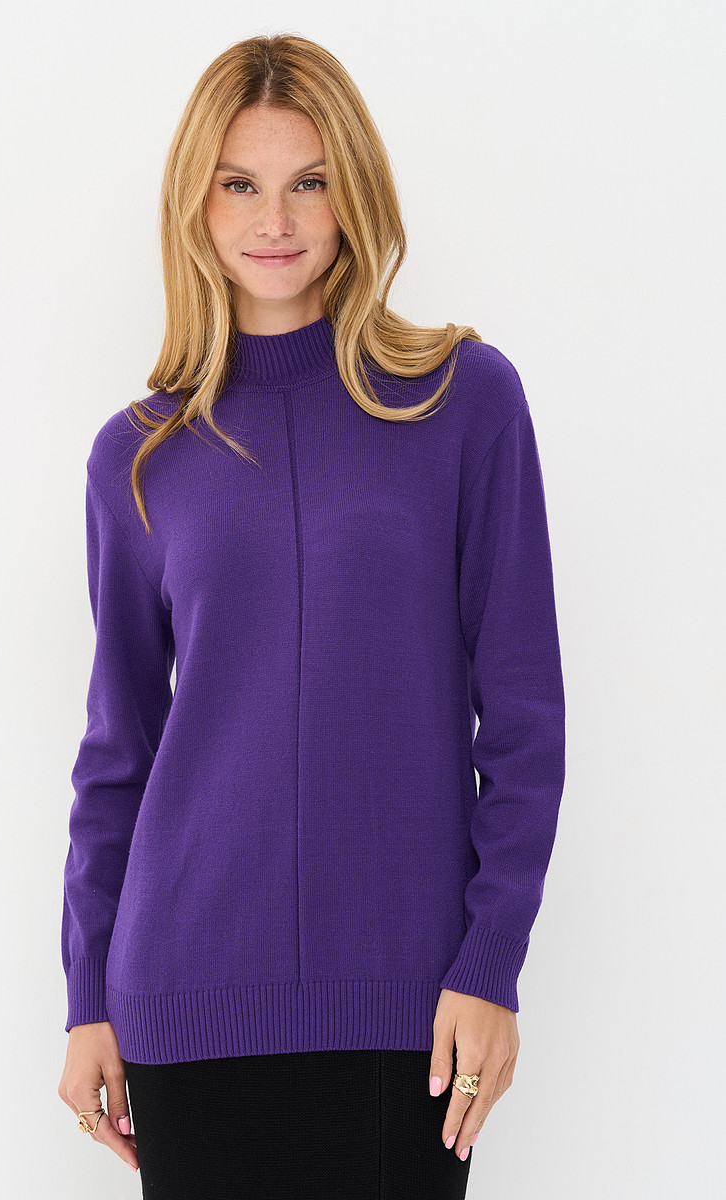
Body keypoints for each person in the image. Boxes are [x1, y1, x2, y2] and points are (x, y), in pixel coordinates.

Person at [57, 32, 566, 1200]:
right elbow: (118, 751)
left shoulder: (462, 400)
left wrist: (491, 961)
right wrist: (87, 997)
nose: (275, 219)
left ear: (355, 193)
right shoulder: (138, 456)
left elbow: (524, 717)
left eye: (309, 181)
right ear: (195, 204)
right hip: (182, 1002)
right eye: (240, 183)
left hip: (411, 1004)